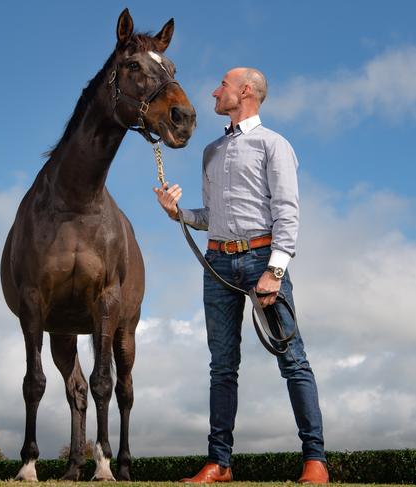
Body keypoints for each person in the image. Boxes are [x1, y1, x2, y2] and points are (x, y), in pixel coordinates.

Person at [154, 67, 328, 484]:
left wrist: (275, 270)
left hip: (261, 261)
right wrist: (177, 211)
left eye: (223, 86)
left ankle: (316, 460)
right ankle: (220, 463)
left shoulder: (274, 145)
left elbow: (287, 210)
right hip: (216, 264)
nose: (215, 92)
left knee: (293, 360)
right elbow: (211, 217)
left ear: (245, 91)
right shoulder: (210, 151)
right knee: (222, 367)